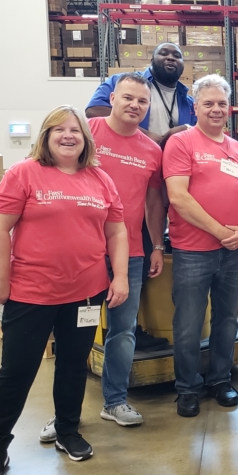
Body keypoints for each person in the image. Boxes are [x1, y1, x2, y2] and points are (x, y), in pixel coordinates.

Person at [0, 106, 129, 475]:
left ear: (86, 139)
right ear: (46, 137)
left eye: (76, 131)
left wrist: (120, 277)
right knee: (17, 371)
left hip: (85, 292)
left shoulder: (99, 178)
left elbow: (116, 231)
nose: (68, 136)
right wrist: (1, 280)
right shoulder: (24, 174)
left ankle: (67, 429)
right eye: (59, 130)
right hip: (31, 293)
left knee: (72, 365)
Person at [62, 74, 164, 433]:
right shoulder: (86, 132)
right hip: (83, 251)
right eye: (128, 98)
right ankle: (63, 414)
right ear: (113, 98)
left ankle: (115, 401)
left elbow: (153, 202)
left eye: (142, 101)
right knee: (74, 330)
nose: (134, 105)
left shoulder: (152, 151)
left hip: (131, 252)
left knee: (123, 332)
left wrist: (157, 246)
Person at [163, 75, 238, 418]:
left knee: (227, 320)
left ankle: (220, 379)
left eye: (221, 103)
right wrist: (220, 231)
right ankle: (187, 388)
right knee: (188, 324)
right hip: (193, 251)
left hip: (233, 251)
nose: (216, 110)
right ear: (195, 107)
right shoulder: (181, 143)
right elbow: (178, 197)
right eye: (208, 103)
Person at [86, 43, 197, 142]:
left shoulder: (189, 102)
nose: (170, 58)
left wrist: (186, 129)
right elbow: (93, 110)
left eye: (177, 56)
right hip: (130, 156)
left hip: (172, 159)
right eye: (163, 54)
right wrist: (144, 135)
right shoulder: (123, 81)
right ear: (152, 61)